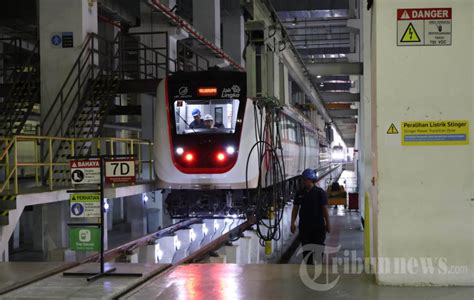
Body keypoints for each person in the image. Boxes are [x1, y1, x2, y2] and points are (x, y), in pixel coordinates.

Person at [291, 168, 331, 265]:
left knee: (318, 247)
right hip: (304, 226)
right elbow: (295, 208)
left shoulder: (320, 193)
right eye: (303, 180)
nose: (304, 182)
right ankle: (309, 269)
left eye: (306, 180)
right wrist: (293, 222)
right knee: (306, 248)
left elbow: (324, 209)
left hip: (318, 226)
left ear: (311, 180)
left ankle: (318, 270)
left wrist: (328, 224)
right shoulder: (300, 193)